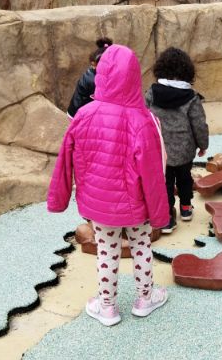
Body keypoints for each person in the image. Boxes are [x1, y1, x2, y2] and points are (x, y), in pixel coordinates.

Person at [48, 44, 169, 326]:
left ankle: (107, 307)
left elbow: (64, 161)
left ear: (100, 74)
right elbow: (153, 174)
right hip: (136, 204)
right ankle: (145, 298)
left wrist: (58, 199)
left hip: (98, 205)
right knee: (141, 246)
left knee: (106, 251)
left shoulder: (83, 114)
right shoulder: (143, 119)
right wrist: (159, 215)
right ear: (134, 76)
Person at [146, 47, 209, 233]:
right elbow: (199, 124)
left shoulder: (152, 93)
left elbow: (144, 118)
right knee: (184, 178)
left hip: (159, 149)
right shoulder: (191, 97)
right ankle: (186, 208)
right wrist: (203, 144)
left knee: (164, 183)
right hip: (184, 149)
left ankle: (166, 219)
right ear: (187, 71)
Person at [67, 37, 112, 118]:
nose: (93, 67)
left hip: (81, 111)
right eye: (92, 65)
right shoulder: (92, 80)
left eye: (95, 65)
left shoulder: (97, 74)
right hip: (77, 114)